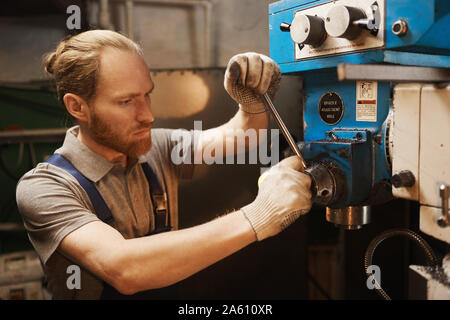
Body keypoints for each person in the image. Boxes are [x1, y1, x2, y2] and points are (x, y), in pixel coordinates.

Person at [16, 30, 312, 299]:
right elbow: (125, 270)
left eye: (147, 95)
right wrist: (260, 216)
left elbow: (240, 138)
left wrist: (249, 102)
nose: (148, 116)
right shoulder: (44, 188)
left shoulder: (155, 147)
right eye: (127, 102)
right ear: (77, 106)